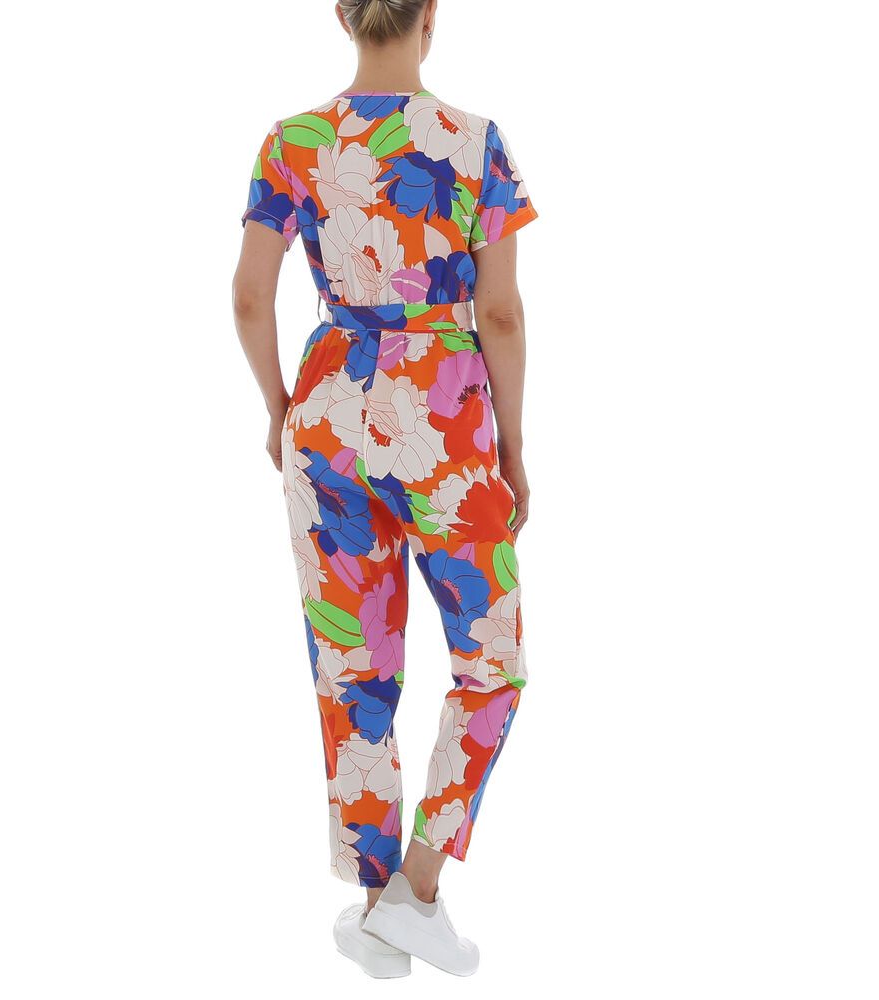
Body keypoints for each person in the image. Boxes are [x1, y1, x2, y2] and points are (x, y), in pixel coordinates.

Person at [232, 0, 537, 979]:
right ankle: (417, 889)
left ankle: (375, 911)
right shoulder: (475, 142)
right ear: (430, 15)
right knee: (492, 665)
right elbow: (498, 311)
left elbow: (249, 293)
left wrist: (280, 407)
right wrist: (513, 446)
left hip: (329, 411)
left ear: (342, 14)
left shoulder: (294, 142)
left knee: (352, 666)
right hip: (444, 422)